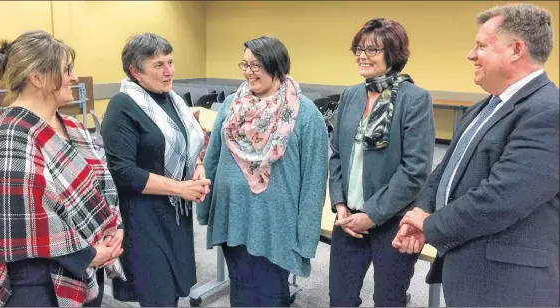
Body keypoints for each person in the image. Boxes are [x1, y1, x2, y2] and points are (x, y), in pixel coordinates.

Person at [393, 3, 559, 307]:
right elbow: (444, 172)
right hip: (470, 269)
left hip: (510, 285)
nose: (471, 54)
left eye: (481, 45)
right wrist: (419, 213)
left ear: (516, 49)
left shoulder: (549, 111)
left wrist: (430, 225)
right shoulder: (484, 108)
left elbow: (502, 198)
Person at [0, 30, 125, 307]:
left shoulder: (73, 128)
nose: (75, 77)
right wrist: (87, 255)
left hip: (90, 267)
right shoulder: (9, 136)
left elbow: (102, 183)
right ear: (36, 77)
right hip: (40, 285)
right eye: (67, 69)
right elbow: (22, 222)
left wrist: (114, 229)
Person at [197, 36, 328, 307]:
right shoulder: (233, 104)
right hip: (232, 213)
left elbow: (315, 180)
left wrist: (306, 236)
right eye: (244, 65)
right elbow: (213, 156)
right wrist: (206, 206)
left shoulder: (305, 113)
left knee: (270, 293)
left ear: (276, 65)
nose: (248, 72)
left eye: (256, 65)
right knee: (241, 285)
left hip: (275, 222)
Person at [327, 18, 435, 307]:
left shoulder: (415, 99)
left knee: (388, 299)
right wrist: (340, 206)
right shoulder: (351, 95)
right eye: (358, 49)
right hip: (348, 217)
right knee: (340, 297)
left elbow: (415, 169)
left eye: (372, 50)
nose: (362, 56)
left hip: (393, 219)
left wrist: (372, 214)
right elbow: (336, 154)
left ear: (393, 54)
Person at [101, 33, 209, 307]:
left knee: (171, 291)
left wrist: (197, 167)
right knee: (157, 295)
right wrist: (180, 188)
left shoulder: (173, 100)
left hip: (174, 214)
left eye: (170, 62)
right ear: (135, 71)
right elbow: (122, 172)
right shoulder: (122, 106)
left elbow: (189, 145)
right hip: (143, 218)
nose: (169, 71)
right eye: (158, 65)